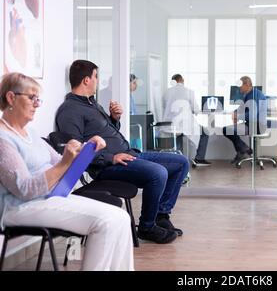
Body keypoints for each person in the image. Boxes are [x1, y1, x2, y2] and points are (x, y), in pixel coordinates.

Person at [0, 72, 134, 270]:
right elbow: (24, 189)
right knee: (106, 221)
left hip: (49, 198)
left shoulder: (31, 134)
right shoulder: (3, 139)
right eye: (32, 98)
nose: (37, 104)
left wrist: (87, 149)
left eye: (38, 99)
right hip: (20, 207)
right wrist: (65, 162)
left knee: (121, 217)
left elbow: (64, 164)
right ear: (11, 97)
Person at [55, 60, 190, 244]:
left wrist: (114, 118)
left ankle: (161, 216)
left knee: (181, 162)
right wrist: (111, 157)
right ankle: (147, 227)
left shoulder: (91, 104)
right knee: (158, 173)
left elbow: (106, 132)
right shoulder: (70, 110)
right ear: (86, 80)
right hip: (107, 166)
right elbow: (76, 149)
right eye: (96, 76)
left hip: (128, 154)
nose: (97, 81)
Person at [163, 73, 211, 166]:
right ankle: (199, 159)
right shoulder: (189, 91)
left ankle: (178, 160)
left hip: (169, 125)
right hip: (185, 124)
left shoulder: (167, 92)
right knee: (205, 132)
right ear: (183, 80)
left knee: (177, 135)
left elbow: (165, 107)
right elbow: (195, 109)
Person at [223, 76, 267, 165]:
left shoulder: (255, 95)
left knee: (227, 130)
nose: (239, 88)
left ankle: (243, 149)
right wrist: (234, 113)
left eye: (240, 85)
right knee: (227, 129)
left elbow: (252, 115)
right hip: (251, 124)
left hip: (257, 125)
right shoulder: (249, 94)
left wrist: (237, 117)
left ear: (247, 84)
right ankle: (243, 149)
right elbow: (241, 108)